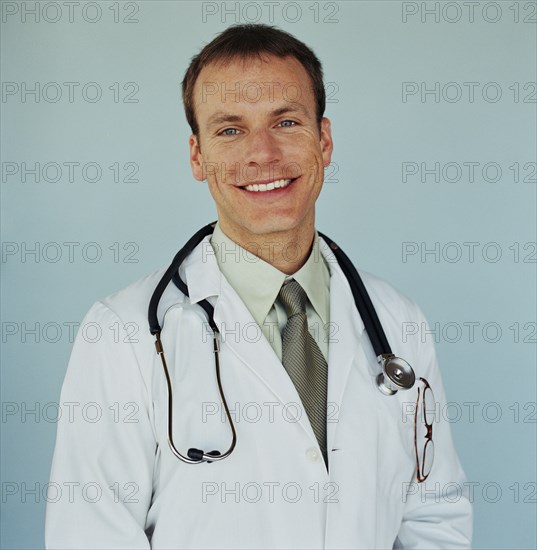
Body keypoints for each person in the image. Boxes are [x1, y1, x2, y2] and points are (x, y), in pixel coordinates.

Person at [45, 24, 473, 549]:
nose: (262, 154)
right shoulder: (123, 334)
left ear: (325, 140)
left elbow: (435, 521)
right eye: (230, 130)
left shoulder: (397, 323)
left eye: (286, 121)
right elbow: (89, 537)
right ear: (198, 156)